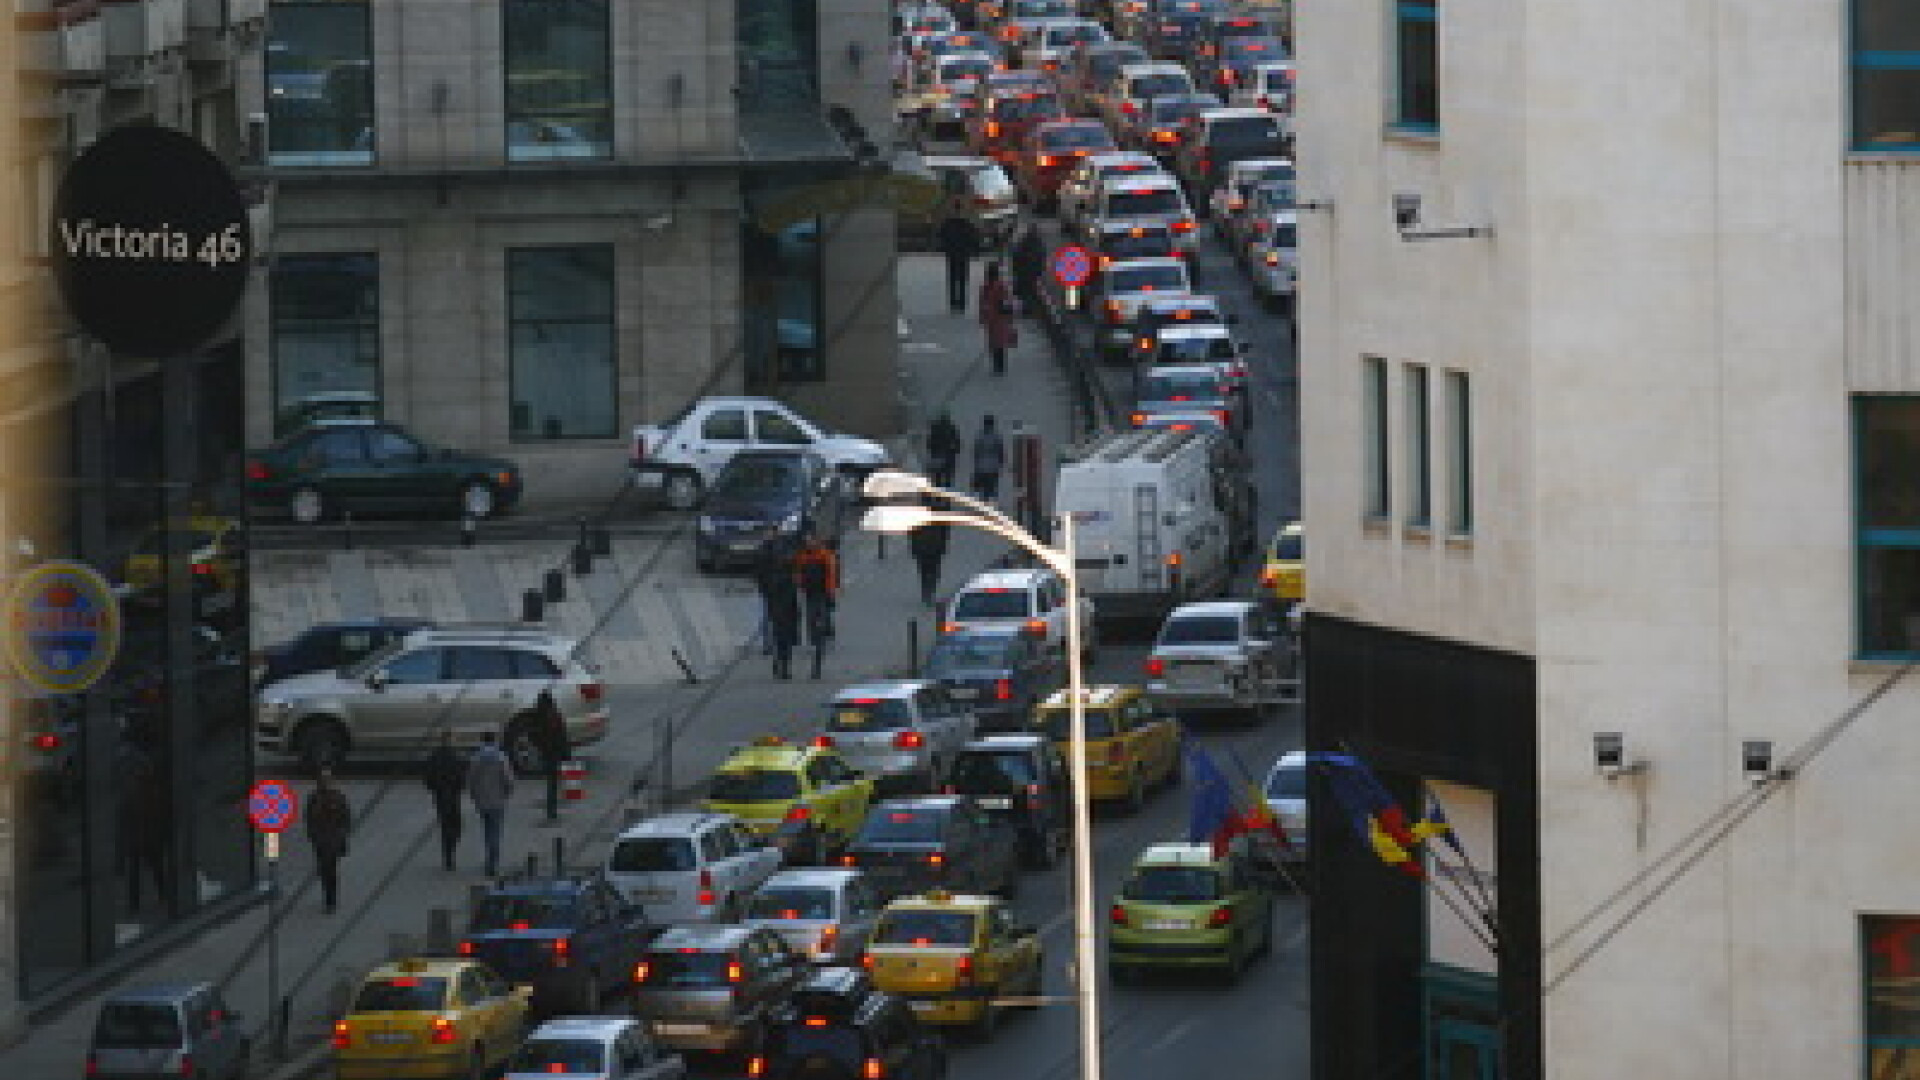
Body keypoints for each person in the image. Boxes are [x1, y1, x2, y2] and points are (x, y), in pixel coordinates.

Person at [467, 731, 515, 878]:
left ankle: (489, 860)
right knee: (496, 831)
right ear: (494, 741)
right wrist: (507, 793)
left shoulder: (475, 759)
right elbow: (508, 780)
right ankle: (493, 863)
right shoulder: (502, 758)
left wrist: (474, 796)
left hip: (482, 801)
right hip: (498, 801)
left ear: (482, 741)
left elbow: (471, 780)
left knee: (487, 830)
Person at [305, 769, 353, 914]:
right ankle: (328, 897)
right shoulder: (313, 798)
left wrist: (341, 836)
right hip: (320, 841)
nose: (324, 783)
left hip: (333, 841)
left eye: (327, 780)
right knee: (324, 871)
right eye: (322, 780)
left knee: (330, 870)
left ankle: (330, 901)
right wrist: (312, 835)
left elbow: (346, 818)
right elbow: (308, 818)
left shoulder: (338, 798)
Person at [792, 534, 840, 677]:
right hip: (810, 593)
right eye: (808, 541)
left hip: (822, 593)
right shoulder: (803, 556)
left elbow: (831, 575)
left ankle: (820, 638)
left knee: (820, 616)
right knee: (812, 617)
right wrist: (799, 585)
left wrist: (831, 592)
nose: (810, 543)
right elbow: (798, 572)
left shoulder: (824, 555)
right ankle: (815, 637)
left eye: (812, 541)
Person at [755, 540, 803, 679]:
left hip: (780, 606)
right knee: (782, 637)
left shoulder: (779, 575)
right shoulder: (783, 574)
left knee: (780, 636)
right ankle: (783, 665)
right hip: (781, 607)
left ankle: (782, 664)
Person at [421, 732, 467, 871]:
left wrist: (434, 788)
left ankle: (447, 855)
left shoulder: (434, 756)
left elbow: (427, 777)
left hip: (440, 795)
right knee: (456, 824)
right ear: (451, 740)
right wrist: (459, 788)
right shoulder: (456, 756)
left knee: (445, 825)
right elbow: (462, 777)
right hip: (453, 796)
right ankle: (451, 850)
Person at [531, 690, 572, 824]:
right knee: (554, 783)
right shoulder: (554, 715)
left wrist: (539, 746)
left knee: (551, 783)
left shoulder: (540, 716)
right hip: (555, 753)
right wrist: (566, 754)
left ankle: (551, 811)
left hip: (548, 754)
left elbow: (536, 736)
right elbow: (562, 736)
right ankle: (553, 809)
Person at [936, 207, 983, 313]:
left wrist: (945, 247)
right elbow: (974, 238)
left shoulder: (948, 224)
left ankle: (953, 303)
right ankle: (961, 303)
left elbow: (941, 237)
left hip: (952, 253)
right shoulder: (967, 224)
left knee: (953, 278)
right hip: (963, 254)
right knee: (962, 278)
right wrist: (975, 250)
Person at [978, 262, 1018, 376]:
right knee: (999, 343)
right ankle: (999, 365)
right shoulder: (1000, 287)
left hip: (993, 318)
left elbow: (982, 303)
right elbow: (1007, 302)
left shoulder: (986, 287)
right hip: (1000, 318)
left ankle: (997, 364)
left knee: (994, 342)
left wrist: (983, 317)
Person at [908, 508, 950, 606]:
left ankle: (928, 592)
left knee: (927, 571)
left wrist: (913, 548)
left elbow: (912, 534)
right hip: (930, 547)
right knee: (930, 571)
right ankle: (928, 592)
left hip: (928, 547)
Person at [1011, 219, 1048, 314]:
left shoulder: (1024, 242)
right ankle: (1029, 308)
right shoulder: (1037, 243)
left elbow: (1016, 254)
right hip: (1030, 271)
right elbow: (1042, 257)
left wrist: (1015, 269)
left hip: (1025, 270)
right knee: (1030, 290)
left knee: (1027, 290)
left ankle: (1028, 308)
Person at [971, 414, 1006, 501]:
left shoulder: (979, 436)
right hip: (993, 466)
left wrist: (976, 466)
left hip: (981, 466)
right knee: (992, 488)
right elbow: (1000, 452)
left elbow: (976, 452)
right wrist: (1001, 464)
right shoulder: (996, 437)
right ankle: (990, 507)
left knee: (983, 489)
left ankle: (983, 505)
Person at [927, 410, 962, 490]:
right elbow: (957, 442)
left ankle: (937, 497)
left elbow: (929, 443)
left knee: (937, 479)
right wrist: (955, 451)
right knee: (947, 479)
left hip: (937, 457)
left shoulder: (935, 428)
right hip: (948, 457)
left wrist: (932, 452)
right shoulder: (951, 428)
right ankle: (946, 498)